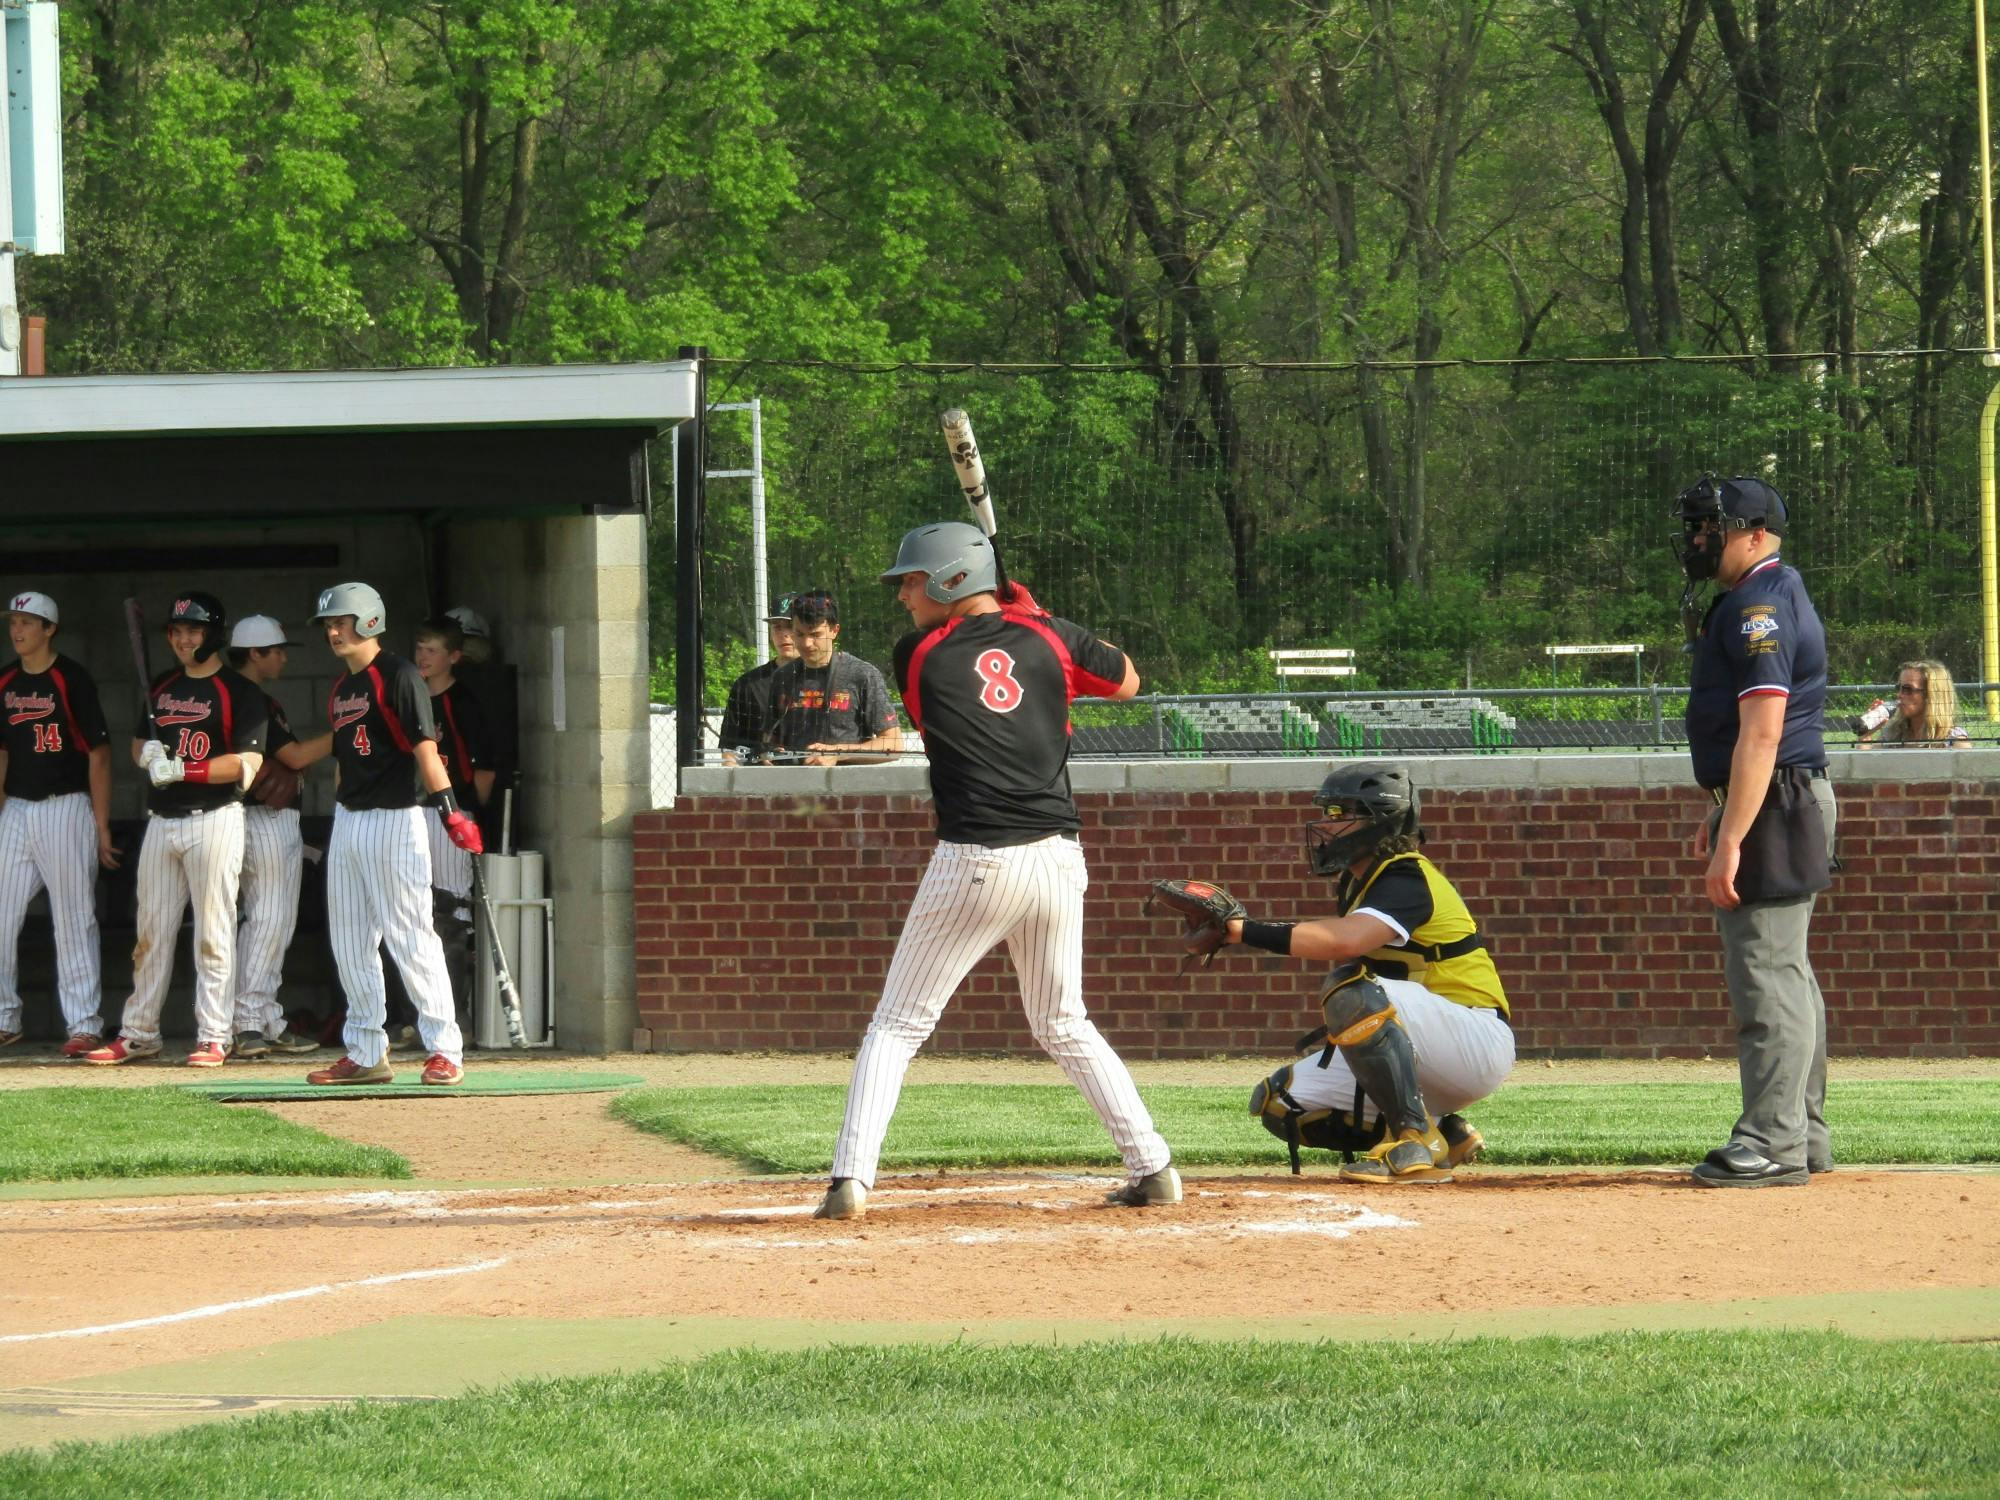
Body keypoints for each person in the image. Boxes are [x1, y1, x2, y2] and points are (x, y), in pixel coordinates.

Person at [813, 523, 1177, 1220]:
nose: (904, 598)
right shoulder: (1047, 635)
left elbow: (987, 651)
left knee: (897, 1025)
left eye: (914, 582)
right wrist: (1038, 616)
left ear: (952, 580)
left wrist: (1019, 615)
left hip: (976, 859)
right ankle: (1153, 1166)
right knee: (1064, 1021)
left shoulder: (918, 653)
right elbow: (1127, 680)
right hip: (1059, 862)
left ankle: (850, 1181)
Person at [1199, 764, 1511, 1184]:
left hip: (1472, 1037)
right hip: (1428, 1045)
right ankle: (1444, 1133)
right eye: (1330, 814)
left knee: (1350, 988)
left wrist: (1243, 931)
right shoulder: (1360, 882)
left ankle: (1413, 1139)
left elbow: (1346, 940)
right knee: (1281, 1103)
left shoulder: (1406, 874)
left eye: (1341, 814)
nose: (1329, 827)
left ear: (1380, 821)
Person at [1675, 474, 1836, 1188]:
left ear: (1756, 533)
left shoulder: (1759, 604)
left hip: (1775, 802)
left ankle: (1773, 1141)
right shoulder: (1764, 592)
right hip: (1779, 799)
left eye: (1713, 527)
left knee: (1766, 973)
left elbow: (1763, 731)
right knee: (1787, 972)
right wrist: (1725, 812)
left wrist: (1731, 833)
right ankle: (1802, 1135)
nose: (1699, 539)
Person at [303, 582, 476, 1086]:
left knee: (410, 935)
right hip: (351, 820)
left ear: (369, 621)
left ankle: (446, 1049)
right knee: (351, 940)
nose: (334, 630)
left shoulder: (397, 674)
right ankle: (365, 1051)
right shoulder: (342, 687)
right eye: (329, 624)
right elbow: (344, 760)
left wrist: (449, 810)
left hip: (396, 817)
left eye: (342, 621)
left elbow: (425, 748)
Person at [85, 594, 267, 1068]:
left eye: (193, 630)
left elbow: (246, 763)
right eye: (176, 631)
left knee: (213, 932)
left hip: (215, 818)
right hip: (162, 822)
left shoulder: (240, 691)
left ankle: (213, 1035)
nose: (183, 639)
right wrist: (145, 754)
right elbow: (137, 742)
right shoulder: (162, 686)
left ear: (214, 636)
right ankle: (139, 1031)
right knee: (151, 934)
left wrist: (185, 769)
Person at [0, 593, 118, 1053]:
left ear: (49, 628)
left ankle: (83, 1023)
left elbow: (100, 754)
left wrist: (102, 825)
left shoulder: (71, 678)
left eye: (28, 622)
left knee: (71, 919)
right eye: (14, 621)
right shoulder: (6, 680)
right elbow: (3, 750)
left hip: (66, 805)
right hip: (18, 808)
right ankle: (4, 1017)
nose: (18, 630)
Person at [222, 615, 321, 1058]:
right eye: (276, 650)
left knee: (254, 921)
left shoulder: (220, 691)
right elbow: (295, 755)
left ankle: (262, 1019)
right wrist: (347, 735)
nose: (282, 656)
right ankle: (248, 1023)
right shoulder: (249, 697)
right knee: (269, 919)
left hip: (233, 818)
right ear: (255, 654)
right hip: (261, 819)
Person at [413, 615, 495, 1029]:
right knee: (414, 909)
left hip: (454, 813)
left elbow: (485, 770)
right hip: (411, 811)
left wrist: (469, 811)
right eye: (419, 649)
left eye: (432, 650)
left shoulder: (464, 702)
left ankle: (455, 1017)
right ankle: (419, 1016)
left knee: (452, 909)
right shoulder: (412, 699)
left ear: (453, 657)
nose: (422, 657)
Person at [765, 590, 903, 766]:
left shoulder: (862, 675)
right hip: (794, 788)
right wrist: (769, 753)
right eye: (799, 634)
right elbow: (769, 740)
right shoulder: (782, 678)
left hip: (849, 788)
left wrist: (837, 753)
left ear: (834, 630)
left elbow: (893, 745)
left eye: (815, 635)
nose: (806, 643)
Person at [718, 592, 801, 764]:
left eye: (790, 626)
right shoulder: (748, 685)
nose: (784, 634)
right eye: (777, 627)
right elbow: (729, 750)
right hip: (759, 780)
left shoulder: (825, 679)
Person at [1856, 660, 1970, 748]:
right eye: (1899, 688)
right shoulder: (1894, 734)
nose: (1900, 695)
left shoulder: (1955, 742)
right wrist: (1865, 737)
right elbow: (1864, 768)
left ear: (1930, 695)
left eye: (1907, 689)